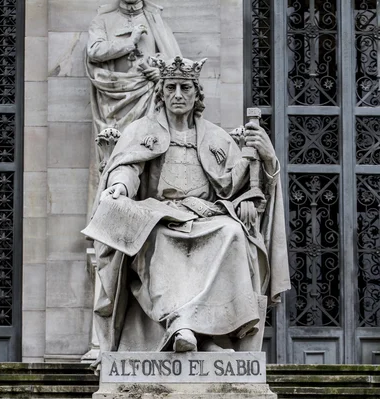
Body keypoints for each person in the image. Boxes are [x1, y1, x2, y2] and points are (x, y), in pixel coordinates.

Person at [82, 56, 290, 360]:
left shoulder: (217, 137)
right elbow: (128, 167)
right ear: (161, 93)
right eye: (171, 88)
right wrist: (120, 187)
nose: (178, 94)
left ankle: (202, 331)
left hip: (205, 217)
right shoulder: (142, 130)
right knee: (158, 239)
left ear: (197, 94)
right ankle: (181, 326)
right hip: (159, 216)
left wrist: (266, 161)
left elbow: (243, 185)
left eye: (185, 88)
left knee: (232, 233)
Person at [86, 0, 181, 134]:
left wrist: (162, 73)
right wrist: (129, 42)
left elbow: (175, 62)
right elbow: (94, 51)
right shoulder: (102, 20)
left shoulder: (156, 20)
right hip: (114, 95)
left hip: (149, 95)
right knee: (116, 145)